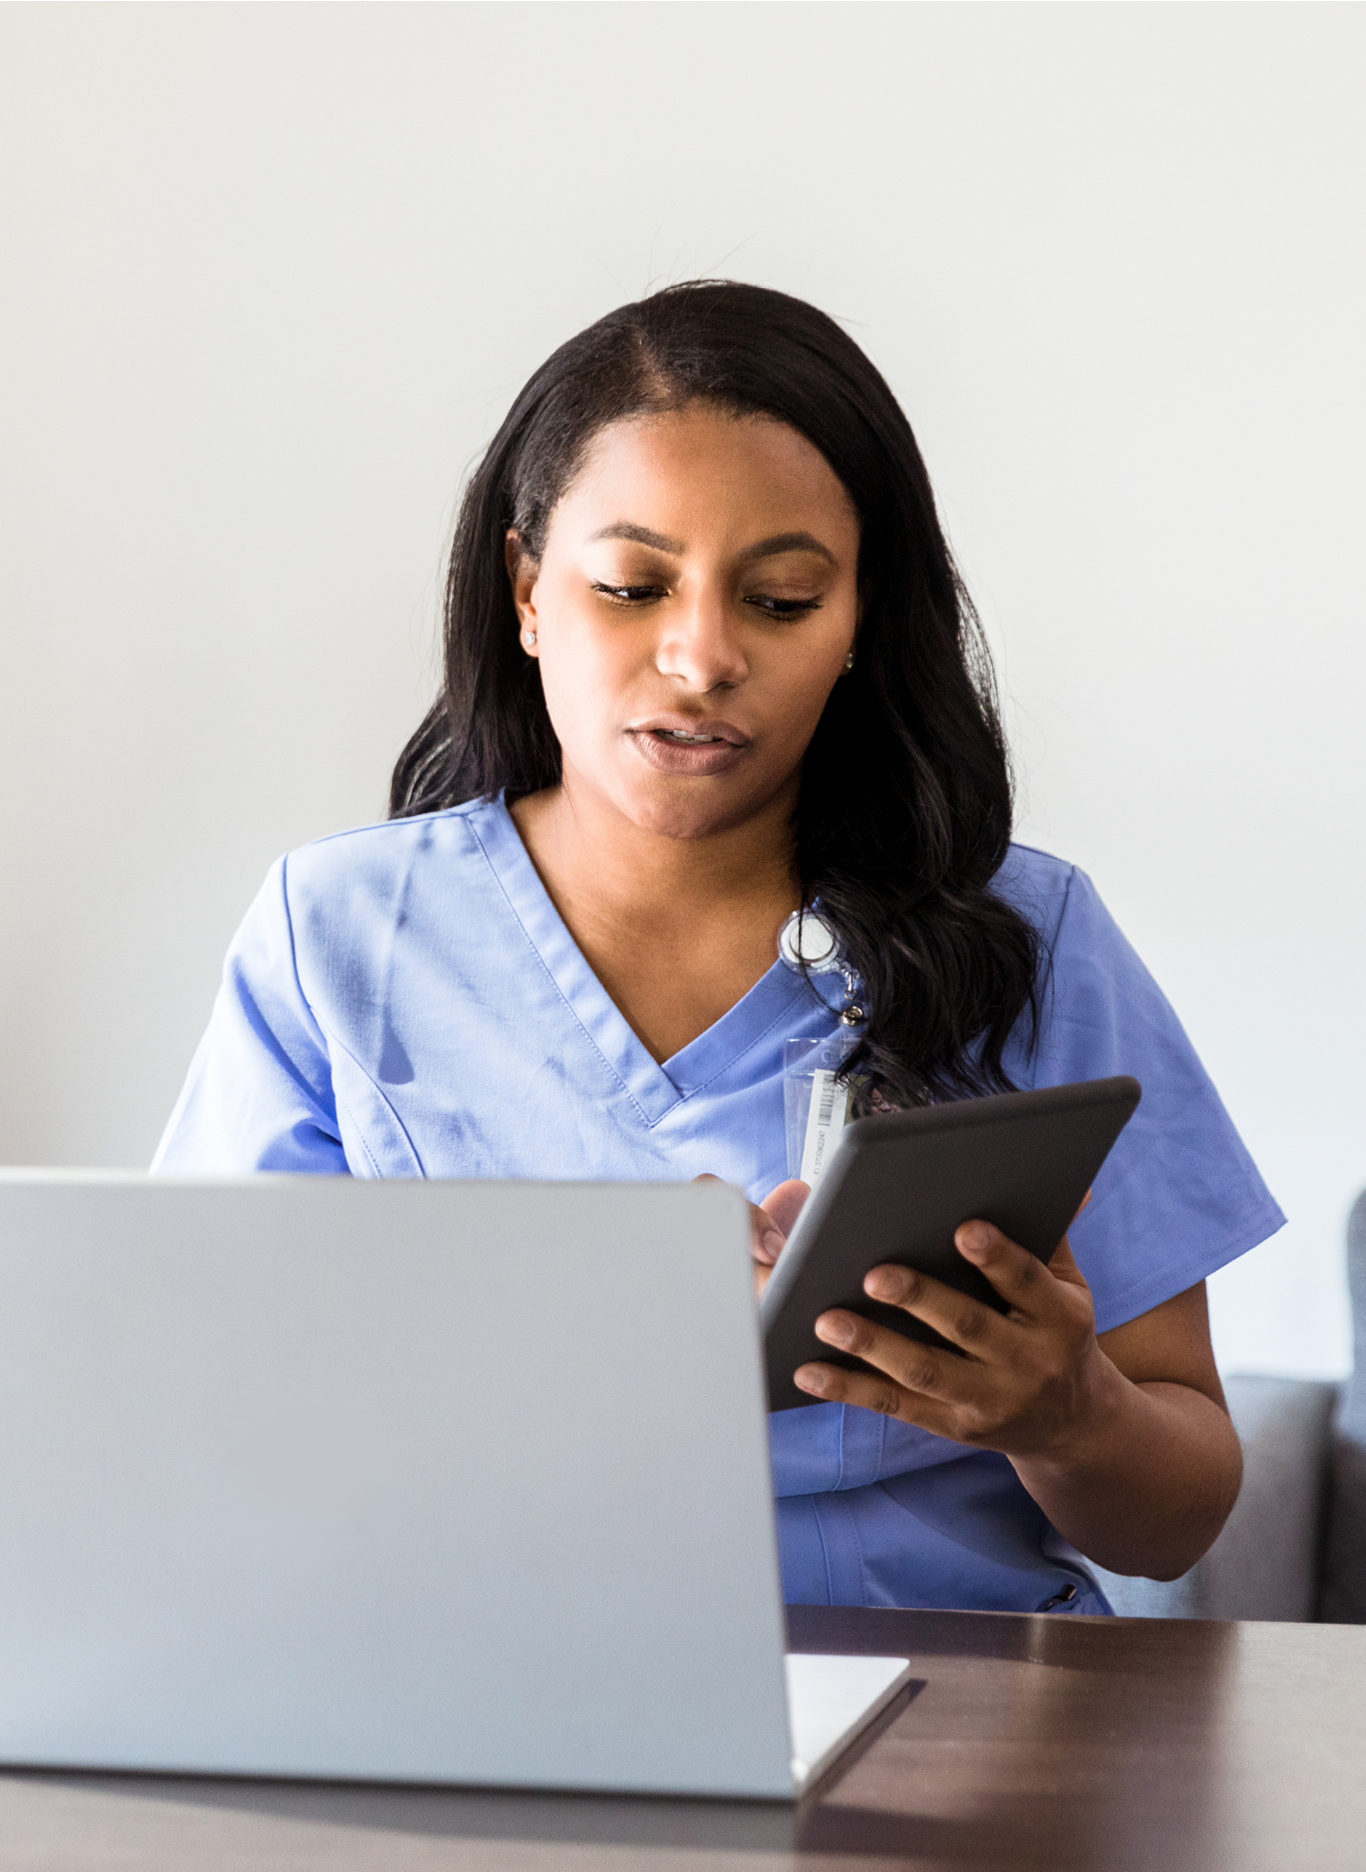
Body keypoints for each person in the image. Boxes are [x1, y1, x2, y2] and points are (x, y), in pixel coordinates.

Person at [154, 280, 1283, 1615]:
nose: (698, 657)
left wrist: (1066, 1413)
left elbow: (1175, 1520)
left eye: (784, 599)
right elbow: (195, 1428)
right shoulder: (337, 934)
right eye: (630, 586)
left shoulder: (1026, 941)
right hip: (485, 1708)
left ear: (859, 617)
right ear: (526, 590)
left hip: (948, 1738)